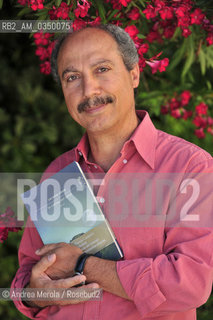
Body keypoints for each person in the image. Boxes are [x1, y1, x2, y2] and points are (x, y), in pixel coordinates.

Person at [11, 24, 213, 320]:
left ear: (133, 74)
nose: (89, 90)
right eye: (72, 77)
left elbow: (190, 284)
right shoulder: (57, 173)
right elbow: (28, 275)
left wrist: (83, 265)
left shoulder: (190, 168)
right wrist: (33, 292)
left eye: (102, 69)